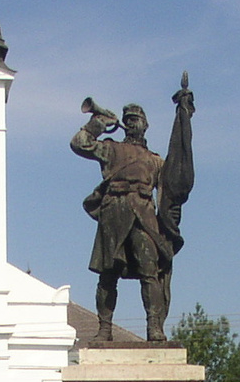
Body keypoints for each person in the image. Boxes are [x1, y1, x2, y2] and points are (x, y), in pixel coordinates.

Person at [70, 79, 193, 343]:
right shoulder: (111, 148)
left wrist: (183, 115)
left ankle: (154, 327)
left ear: (146, 124)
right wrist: (98, 123)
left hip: (144, 215)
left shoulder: (156, 161)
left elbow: (172, 188)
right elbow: (79, 143)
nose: (132, 121)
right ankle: (104, 329)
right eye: (128, 118)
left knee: (149, 270)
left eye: (136, 118)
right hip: (113, 213)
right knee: (107, 274)